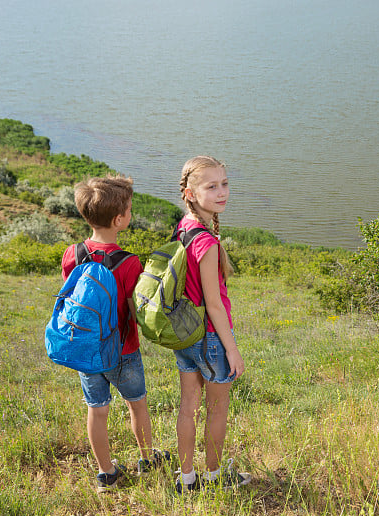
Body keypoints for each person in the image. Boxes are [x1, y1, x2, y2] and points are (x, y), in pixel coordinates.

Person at [62, 175, 169, 492]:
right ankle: (147, 458)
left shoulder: (72, 253)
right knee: (137, 405)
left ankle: (106, 473)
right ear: (120, 219)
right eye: (130, 210)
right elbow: (134, 308)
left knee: (97, 410)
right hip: (123, 350)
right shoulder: (128, 262)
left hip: (87, 351)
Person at [174, 155, 250, 493]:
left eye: (225, 183)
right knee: (216, 411)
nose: (222, 192)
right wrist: (232, 350)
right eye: (211, 186)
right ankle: (216, 476)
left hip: (185, 335)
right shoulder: (206, 241)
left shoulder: (185, 225)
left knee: (188, 408)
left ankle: (187, 478)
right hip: (211, 339)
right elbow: (214, 304)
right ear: (191, 193)